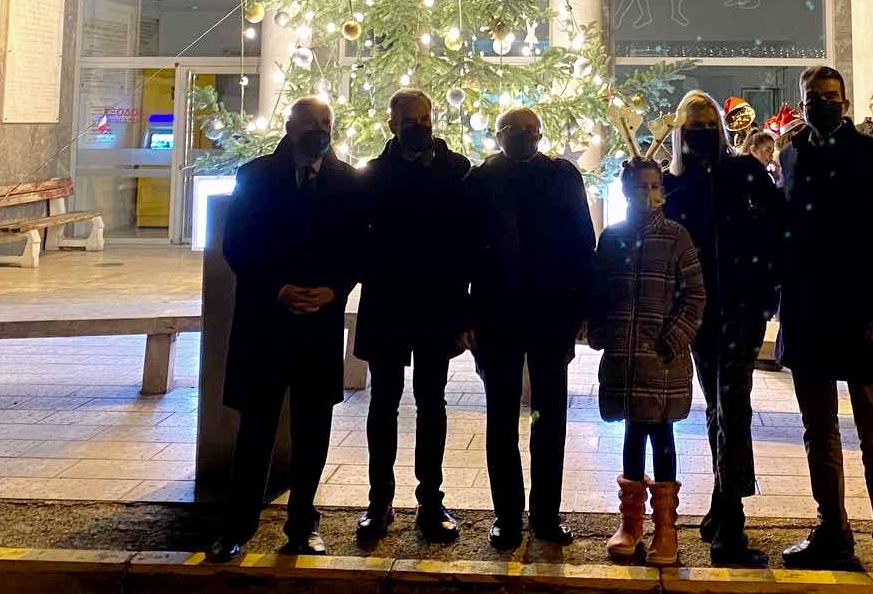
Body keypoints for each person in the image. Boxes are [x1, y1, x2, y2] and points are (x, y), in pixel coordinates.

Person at [777, 65, 873, 591]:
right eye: (814, 97)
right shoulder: (792, 155)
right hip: (809, 313)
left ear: (845, 99)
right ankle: (832, 530)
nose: (823, 104)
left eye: (831, 96)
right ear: (803, 101)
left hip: (863, 317)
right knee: (819, 433)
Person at [209, 97, 366, 562]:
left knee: (314, 427)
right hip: (265, 320)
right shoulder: (255, 176)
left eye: (326, 123)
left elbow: (358, 247)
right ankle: (238, 523)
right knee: (256, 425)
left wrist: (335, 289)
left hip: (318, 325)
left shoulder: (348, 182)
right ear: (289, 126)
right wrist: (275, 288)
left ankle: (302, 522)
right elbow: (237, 243)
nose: (319, 130)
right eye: (310, 122)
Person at [662, 89, 783, 568]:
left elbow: (777, 226)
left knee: (731, 406)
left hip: (738, 308)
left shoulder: (743, 171)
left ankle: (729, 522)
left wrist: (766, 288)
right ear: (680, 132)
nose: (703, 134)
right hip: (694, 312)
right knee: (717, 407)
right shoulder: (672, 185)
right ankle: (721, 506)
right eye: (694, 126)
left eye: (710, 124)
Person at [465, 106, 595, 549]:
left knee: (549, 419)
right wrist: (465, 317)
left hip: (550, 315)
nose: (522, 137)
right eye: (512, 131)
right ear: (498, 136)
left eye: (529, 131)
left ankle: (544, 514)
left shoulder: (563, 176)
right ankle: (506, 516)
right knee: (500, 419)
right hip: (496, 316)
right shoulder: (480, 180)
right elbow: (461, 253)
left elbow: (582, 242)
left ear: (540, 135)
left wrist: (581, 308)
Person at [353, 89, 472, 544]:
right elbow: (358, 239)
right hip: (387, 303)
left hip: (436, 304)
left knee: (431, 401)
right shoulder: (371, 175)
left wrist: (463, 305)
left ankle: (430, 500)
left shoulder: (458, 171)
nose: (417, 126)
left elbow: (467, 242)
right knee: (383, 402)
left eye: (424, 118)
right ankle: (379, 501)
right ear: (391, 124)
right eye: (408, 119)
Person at [589, 159, 706, 566]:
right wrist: (600, 330)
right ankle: (631, 523)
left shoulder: (677, 237)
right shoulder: (613, 238)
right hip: (624, 356)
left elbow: (695, 298)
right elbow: (599, 291)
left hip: (662, 361)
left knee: (661, 435)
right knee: (632, 433)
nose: (649, 193)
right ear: (625, 191)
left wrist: (672, 341)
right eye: (640, 186)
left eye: (655, 185)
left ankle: (666, 528)